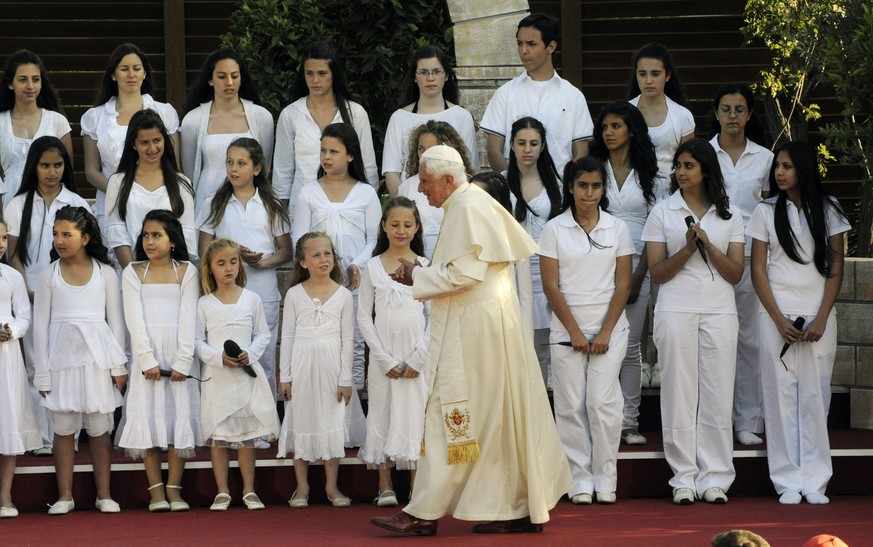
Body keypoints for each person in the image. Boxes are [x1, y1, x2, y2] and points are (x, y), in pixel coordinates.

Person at [370, 145, 571, 536]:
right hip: (486, 328)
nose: (422, 191)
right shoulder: (466, 204)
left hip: (476, 334)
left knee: (451, 414)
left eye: (426, 182)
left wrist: (418, 278)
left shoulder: (466, 206)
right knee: (495, 419)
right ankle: (516, 508)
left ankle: (423, 513)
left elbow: (466, 275)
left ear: (448, 179)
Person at [642, 139, 745, 505]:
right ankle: (683, 477)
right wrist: (687, 248)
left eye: (689, 166)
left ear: (705, 170)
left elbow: (735, 274)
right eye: (679, 167)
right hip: (675, 309)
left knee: (717, 393)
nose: (681, 173)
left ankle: (715, 477)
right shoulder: (663, 212)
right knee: (679, 393)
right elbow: (657, 273)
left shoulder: (729, 215)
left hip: (719, 310)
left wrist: (708, 244)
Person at [748, 141, 849, 505]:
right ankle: (787, 480)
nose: (780, 172)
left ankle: (816, 480)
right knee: (779, 396)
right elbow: (757, 269)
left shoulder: (830, 209)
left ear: (803, 169)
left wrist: (822, 316)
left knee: (815, 396)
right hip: (776, 314)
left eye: (787, 166)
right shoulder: (764, 211)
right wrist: (778, 320)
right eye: (777, 166)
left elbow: (835, 269)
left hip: (818, 314)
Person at [539, 157, 634, 505]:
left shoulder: (617, 228)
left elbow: (623, 284)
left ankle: (606, 478)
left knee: (602, 403)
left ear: (603, 188)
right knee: (569, 405)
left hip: (610, 328)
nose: (589, 193)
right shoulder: (554, 229)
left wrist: (605, 331)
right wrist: (575, 331)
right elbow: (551, 286)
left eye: (595, 186)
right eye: (582, 186)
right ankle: (579, 479)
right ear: (570, 187)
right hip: (567, 331)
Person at [33, 206, 128, 515]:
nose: (60, 240)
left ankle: (104, 495)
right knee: (63, 429)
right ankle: (64, 496)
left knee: (100, 428)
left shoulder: (106, 273)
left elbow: (116, 322)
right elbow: (39, 325)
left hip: (97, 360)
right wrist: (42, 373)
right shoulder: (49, 275)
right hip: (60, 360)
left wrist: (119, 365)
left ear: (85, 238)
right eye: (56, 234)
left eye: (67, 234)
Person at [4, 137, 91, 457]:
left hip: (66, 297)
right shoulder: (17, 204)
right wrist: (26, 290)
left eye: (58, 165)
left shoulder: (76, 203)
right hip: (28, 296)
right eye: (45, 165)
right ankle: (40, 435)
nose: (52, 171)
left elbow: (82, 254)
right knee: (33, 366)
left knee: (66, 366)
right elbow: (12, 253)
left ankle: (67, 435)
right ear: (34, 167)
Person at [118, 210, 201, 512]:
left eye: (157, 235)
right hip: (147, 359)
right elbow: (133, 320)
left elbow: (189, 316)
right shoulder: (133, 271)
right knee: (148, 422)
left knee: (178, 420)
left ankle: (175, 490)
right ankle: (156, 492)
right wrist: (146, 359)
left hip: (179, 356)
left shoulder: (187, 271)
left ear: (173, 241)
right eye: (145, 235)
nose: (149, 241)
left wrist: (183, 360)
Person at [589, 101, 661, 445]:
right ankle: (599, 419)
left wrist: (639, 275)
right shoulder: (593, 169)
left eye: (615, 126)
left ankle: (628, 422)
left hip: (636, 265)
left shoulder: (652, 173)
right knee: (597, 341)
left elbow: (655, 230)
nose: (609, 133)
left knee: (630, 345)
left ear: (631, 130)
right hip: (595, 263)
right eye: (604, 127)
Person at [198, 138, 291, 399]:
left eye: (241, 163)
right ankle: (230, 419)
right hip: (225, 293)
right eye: (230, 162)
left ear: (257, 168)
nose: (234, 169)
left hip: (263, 290)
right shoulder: (213, 202)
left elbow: (286, 250)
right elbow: (205, 249)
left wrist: (260, 262)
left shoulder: (271, 204)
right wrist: (232, 254)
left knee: (264, 352)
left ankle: (265, 420)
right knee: (228, 353)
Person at [291, 123, 381, 394]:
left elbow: (374, 239)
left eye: (334, 151)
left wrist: (356, 264)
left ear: (350, 155)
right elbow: (301, 239)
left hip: (353, 282)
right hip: (318, 283)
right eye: (323, 151)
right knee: (319, 341)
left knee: (352, 341)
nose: (326, 157)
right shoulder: (308, 192)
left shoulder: (366, 192)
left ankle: (350, 410)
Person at [708, 83, 774, 446]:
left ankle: (747, 420)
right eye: (726, 109)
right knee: (714, 341)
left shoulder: (766, 159)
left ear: (749, 115)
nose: (732, 116)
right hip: (709, 257)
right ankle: (711, 420)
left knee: (749, 339)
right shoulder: (704, 155)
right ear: (716, 114)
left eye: (739, 109)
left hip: (751, 257)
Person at [195, 238, 279, 511]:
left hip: (244, 377)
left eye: (233, 262)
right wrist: (218, 357)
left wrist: (250, 354)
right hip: (218, 378)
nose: (228, 268)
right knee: (219, 438)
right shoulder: (204, 304)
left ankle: (249, 490)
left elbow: (263, 334)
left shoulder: (251, 299)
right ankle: (222, 491)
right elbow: (196, 341)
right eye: (221, 263)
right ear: (210, 269)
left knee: (246, 437)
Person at [357, 198, 430, 507]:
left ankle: (418, 486)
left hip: (417, 358)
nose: (401, 231)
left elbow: (435, 316)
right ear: (384, 226)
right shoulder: (372, 267)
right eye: (395, 224)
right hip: (384, 358)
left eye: (408, 225)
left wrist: (418, 357)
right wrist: (383, 358)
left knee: (416, 416)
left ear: (417, 228)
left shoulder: (425, 267)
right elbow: (363, 316)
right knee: (382, 412)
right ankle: (385, 484)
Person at [277, 232, 354, 509]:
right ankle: (302, 486)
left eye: (328, 253)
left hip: (331, 367)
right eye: (316, 255)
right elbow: (287, 337)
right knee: (302, 420)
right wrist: (285, 376)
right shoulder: (295, 294)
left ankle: (332, 487)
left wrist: (346, 379)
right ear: (303, 262)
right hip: (302, 366)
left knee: (330, 421)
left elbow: (348, 340)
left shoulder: (344, 295)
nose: (324, 259)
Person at [81, 43, 180, 230]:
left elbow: (174, 165)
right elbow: (91, 171)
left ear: (145, 73)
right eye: (124, 69)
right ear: (113, 75)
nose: (131, 74)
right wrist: (121, 191)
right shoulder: (94, 117)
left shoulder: (165, 112)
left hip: (158, 202)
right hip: (112, 203)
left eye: (137, 68)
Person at [480, 12, 593, 173]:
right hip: (513, 192)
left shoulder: (573, 96)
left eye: (531, 44)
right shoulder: (505, 93)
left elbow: (581, 152)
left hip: (559, 190)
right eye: (520, 43)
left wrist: (567, 187)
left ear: (551, 47)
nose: (523, 51)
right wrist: (512, 185)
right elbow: (493, 150)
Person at [273, 41, 378, 209]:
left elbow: (368, 167)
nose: (315, 80)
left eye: (322, 73)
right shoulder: (290, 114)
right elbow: (282, 172)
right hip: (301, 208)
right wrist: (281, 220)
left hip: (347, 206)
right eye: (309, 73)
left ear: (333, 74)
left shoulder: (355, 114)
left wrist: (369, 207)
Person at [181, 48, 274, 217]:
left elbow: (263, 167)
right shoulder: (192, 120)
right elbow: (189, 174)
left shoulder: (262, 117)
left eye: (235, 76)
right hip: (207, 200)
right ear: (210, 79)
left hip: (249, 202)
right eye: (222, 76)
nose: (229, 82)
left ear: (241, 79)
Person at [505, 116, 562, 385]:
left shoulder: (557, 185)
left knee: (547, 347)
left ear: (542, 147)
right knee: (517, 346)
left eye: (534, 143)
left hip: (547, 271)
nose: (527, 149)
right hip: (511, 273)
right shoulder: (500, 183)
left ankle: (548, 410)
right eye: (522, 143)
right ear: (512, 146)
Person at [382, 45, 478, 196]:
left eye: (436, 72)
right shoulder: (399, 118)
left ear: (446, 75)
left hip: (452, 201)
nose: (430, 78)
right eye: (423, 72)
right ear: (415, 76)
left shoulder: (462, 116)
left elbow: (470, 169)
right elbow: (391, 172)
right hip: (411, 204)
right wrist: (405, 206)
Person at [106, 109, 196, 269]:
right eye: (144, 143)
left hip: (173, 276)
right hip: (131, 273)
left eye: (157, 140)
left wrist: (173, 274)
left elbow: (187, 234)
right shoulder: (118, 182)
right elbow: (116, 232)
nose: (152, 148)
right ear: (133, 144)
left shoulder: (181, 183)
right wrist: (135, 274)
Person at [0, 219, 42, 519]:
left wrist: (11, 331)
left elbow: (25, 316)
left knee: (8, 421)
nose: (1, 243)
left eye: (3, 237)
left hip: (6, 354)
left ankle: (5, 497)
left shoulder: (12, 276)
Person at [0, 50, 73, 207]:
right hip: (8, 203)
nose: (30, 86)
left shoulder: (57, 121)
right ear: (10, 83)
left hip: (51, 204)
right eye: (22, 80)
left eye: (35, 79)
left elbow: (66, 170)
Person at [397, 120, 476, 259]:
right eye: (421, 148)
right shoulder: (407, 187)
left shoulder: (463, 184)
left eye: (431, 149)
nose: (424, 154)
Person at [628, 43, 695, 182]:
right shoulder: (624, 113)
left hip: (670, 192)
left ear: (667, 75)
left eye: (655, 74)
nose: (648, 81)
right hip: (632, 191)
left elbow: (689, 161)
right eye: (642, 74)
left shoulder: (683, 115)